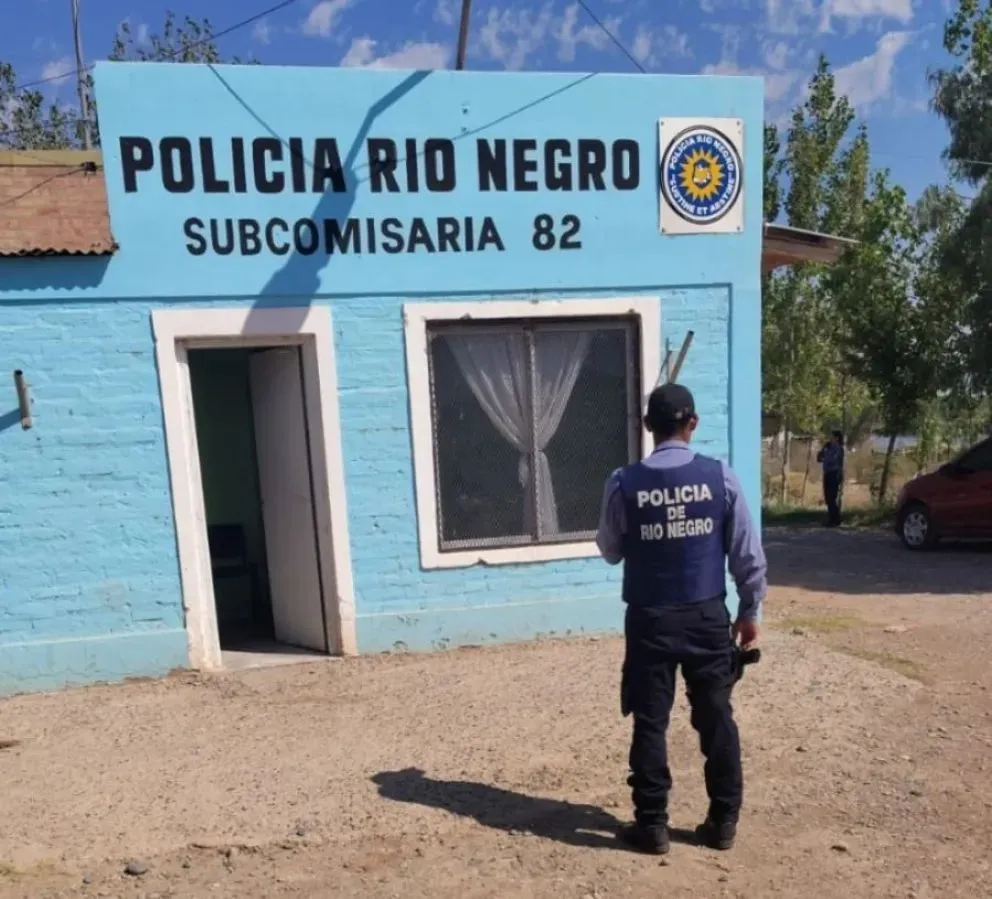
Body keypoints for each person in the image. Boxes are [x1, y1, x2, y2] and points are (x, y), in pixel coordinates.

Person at [595, 383, 768, 856]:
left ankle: (652, 826)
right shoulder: (721, 477)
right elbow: (747, 554)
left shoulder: (623, 481)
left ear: (648, 427)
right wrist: (750, 611)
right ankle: (723, 822)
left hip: (650, 617)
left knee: (650, 720)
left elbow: (609, 551)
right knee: (715, 718)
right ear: (692, 425)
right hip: (706, 616)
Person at [816, 430, 845, 528]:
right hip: (827, 473)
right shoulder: (827, 447)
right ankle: (833, 520)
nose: (830, 438)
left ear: (837, 438)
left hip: (834, 473)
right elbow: (819, 459)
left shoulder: (839, 448)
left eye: (832, 437)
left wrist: (826, 456)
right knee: (828, 498)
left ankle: (834, 520)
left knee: (832, 498)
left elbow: (833, 460)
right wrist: (822, 451)